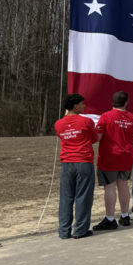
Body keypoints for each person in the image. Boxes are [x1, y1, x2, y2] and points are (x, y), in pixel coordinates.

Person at [92, 91, 133, 231]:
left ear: (112, 102)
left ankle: (110, 218)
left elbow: (98, 137)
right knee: (123, 185)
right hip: (126, 156)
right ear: (126, 102)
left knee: (110, 187)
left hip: (109, 156)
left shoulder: (106, 116)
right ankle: (125, 215)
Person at [55, 93, 98, 239]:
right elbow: (94, 138)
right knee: (83, 197)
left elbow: (62, 137)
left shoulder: (58, 124)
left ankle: (63, 230)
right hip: (84, 162)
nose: (84, 106)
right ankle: (80, 230)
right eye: (82, 103)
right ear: (75, 105)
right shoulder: (86, 121)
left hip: (67, 163)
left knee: (66, 198)